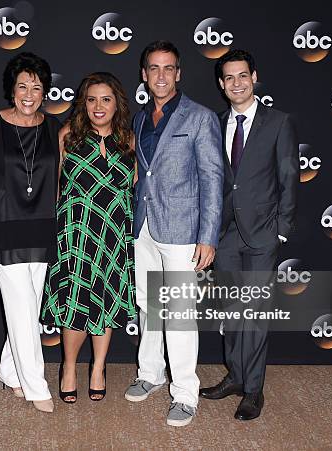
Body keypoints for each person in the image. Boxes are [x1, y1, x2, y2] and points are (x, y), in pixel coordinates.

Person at [123, 41, 224, 427]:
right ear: (144, 74)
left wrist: (208, 235)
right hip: (144, 226)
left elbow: (213, 179)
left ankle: (185, 393)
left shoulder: (199, 118)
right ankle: (150, 372)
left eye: (168, 68)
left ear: (178, 73)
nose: (161, 75)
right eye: (154, 68)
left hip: (183, 230)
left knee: (179, 313)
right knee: (149, 305)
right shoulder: (138, 118)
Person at [199, 49, 298, 421]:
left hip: (262, 235)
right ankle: (236, 376)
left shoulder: (278, 122)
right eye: (229, 78)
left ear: (254, 77)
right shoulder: (216, 122)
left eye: (243, 76)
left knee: (253, 313)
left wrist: (282, 230)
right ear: (221, 84)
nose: (236, 83)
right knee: (231, 310)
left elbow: (289, 176)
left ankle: (253, 390)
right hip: (224, 235)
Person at [42, 72, 136, 403]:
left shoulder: (128, 139)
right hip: (76, 233)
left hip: (113, 234)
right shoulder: (68, 136)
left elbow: (132, 187)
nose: (98, 106)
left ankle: (98, 367)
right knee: (75, 303)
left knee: (106, 301)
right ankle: (68, 368)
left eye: (106, 99)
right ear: (84, 103)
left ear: (117, 104)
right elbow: (56, 189)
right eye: (92, 99)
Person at [0, 52, 60, 413]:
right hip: (4, 227)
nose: (29, 93)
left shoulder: (56, 127)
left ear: (45, 92)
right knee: (22, 306)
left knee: (31, 307)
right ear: (12, 90)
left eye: (36, 87)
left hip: (42, 227)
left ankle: (11, 371)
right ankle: (35, 384)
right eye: (22, 86)